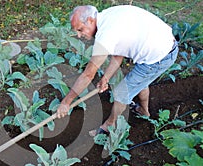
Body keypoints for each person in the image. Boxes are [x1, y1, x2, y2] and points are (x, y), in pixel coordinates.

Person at [56, 5, 178, 136]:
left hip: (160, 56)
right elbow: (119, 52)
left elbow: (88, 75)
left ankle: (109, 125)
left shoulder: (105, 35)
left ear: (91, 20)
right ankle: (144, 111)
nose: (79, 35)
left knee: (121, 92)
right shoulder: (107, 16)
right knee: (141, 81)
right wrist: (106, 78)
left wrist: (66, 102)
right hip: (161, 46)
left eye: (80, 29)